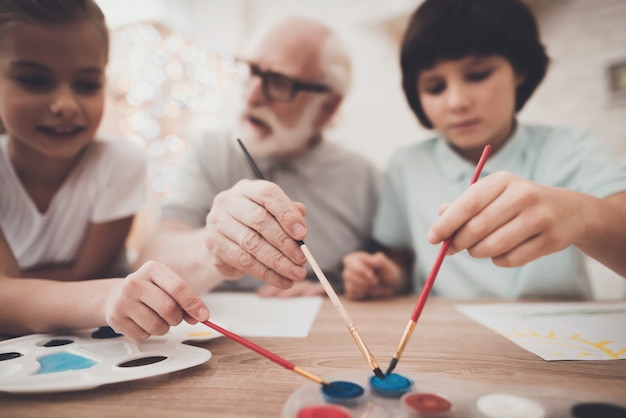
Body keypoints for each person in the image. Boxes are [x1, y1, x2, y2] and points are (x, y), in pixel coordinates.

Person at [341, 0, 626, 300]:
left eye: (477, 75)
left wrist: (581, 214)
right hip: (450, 335)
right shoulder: (405, 166)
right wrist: (386, 275)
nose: (457, 102)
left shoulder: (573, 148)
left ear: (521, 69)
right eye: (435, 87)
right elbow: (397, 253)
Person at [0, 0, 209, 338]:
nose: (65, 105)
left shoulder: (121, 162)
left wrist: (16, 294)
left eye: (86, 85)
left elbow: (86, 274)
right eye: (34, 81)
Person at [138, 17, 379, 297]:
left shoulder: (361, 178)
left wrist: (346, 287)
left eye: (279, 82)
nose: (252, 96)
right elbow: (153, 259)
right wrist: (216, 243)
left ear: (327, 107)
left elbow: (390, 273)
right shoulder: (210, 151)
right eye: (251, 70)